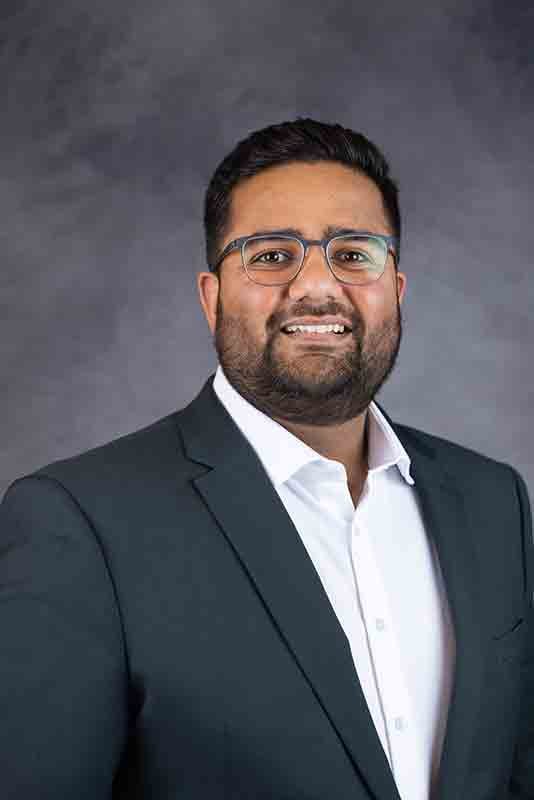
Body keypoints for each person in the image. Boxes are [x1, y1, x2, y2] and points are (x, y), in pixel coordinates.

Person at [1, 118, 532, 800]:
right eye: (272, 255)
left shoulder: (493, 502)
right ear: (211, 295)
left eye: (354, 253)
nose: (317, 286)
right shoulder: (79, 524)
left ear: (395, 289)